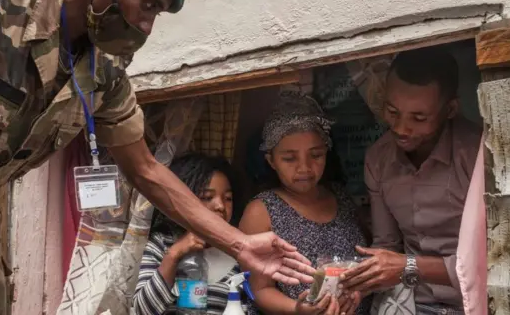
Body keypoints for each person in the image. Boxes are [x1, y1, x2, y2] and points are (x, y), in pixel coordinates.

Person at [0, 0, 312, 313]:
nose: (148, 26)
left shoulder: (105, 71)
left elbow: (146, 170)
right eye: (148, 4)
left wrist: (240, 244)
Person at [339, 47, 482, 315]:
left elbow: (494, 258)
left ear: (450, 109)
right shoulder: (378, 159)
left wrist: (407, 266)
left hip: (479, 301)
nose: (401, 128)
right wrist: (359, 284)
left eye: (418, 118)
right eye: (392, 111)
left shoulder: (478, 156)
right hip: (413, 301)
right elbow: (387, 245)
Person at [239, 92, 369, 315]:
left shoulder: (341, 197)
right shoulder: (261, 211)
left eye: (316, 155)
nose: (304, 168)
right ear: (271, 160)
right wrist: (298, 309)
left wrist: (359, 291)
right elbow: (258, 289)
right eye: (290, 158)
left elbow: (363, 263)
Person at [133, 153, 242, 314]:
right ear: (183, 201)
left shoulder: (238, 248)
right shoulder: (163, 242)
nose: (220, 205)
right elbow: (142, 311)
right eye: (207, 197)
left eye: (228, 198)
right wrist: (174, 255)